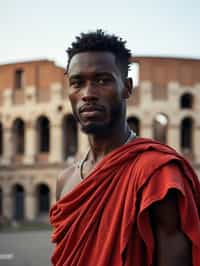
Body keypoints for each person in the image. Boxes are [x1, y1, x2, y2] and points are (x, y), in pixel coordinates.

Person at [50, 29, 200, 266]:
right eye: (77, 82)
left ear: (127, 88)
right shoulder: (65, 180)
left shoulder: (158, 173)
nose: (88, 94)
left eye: (102, 80)